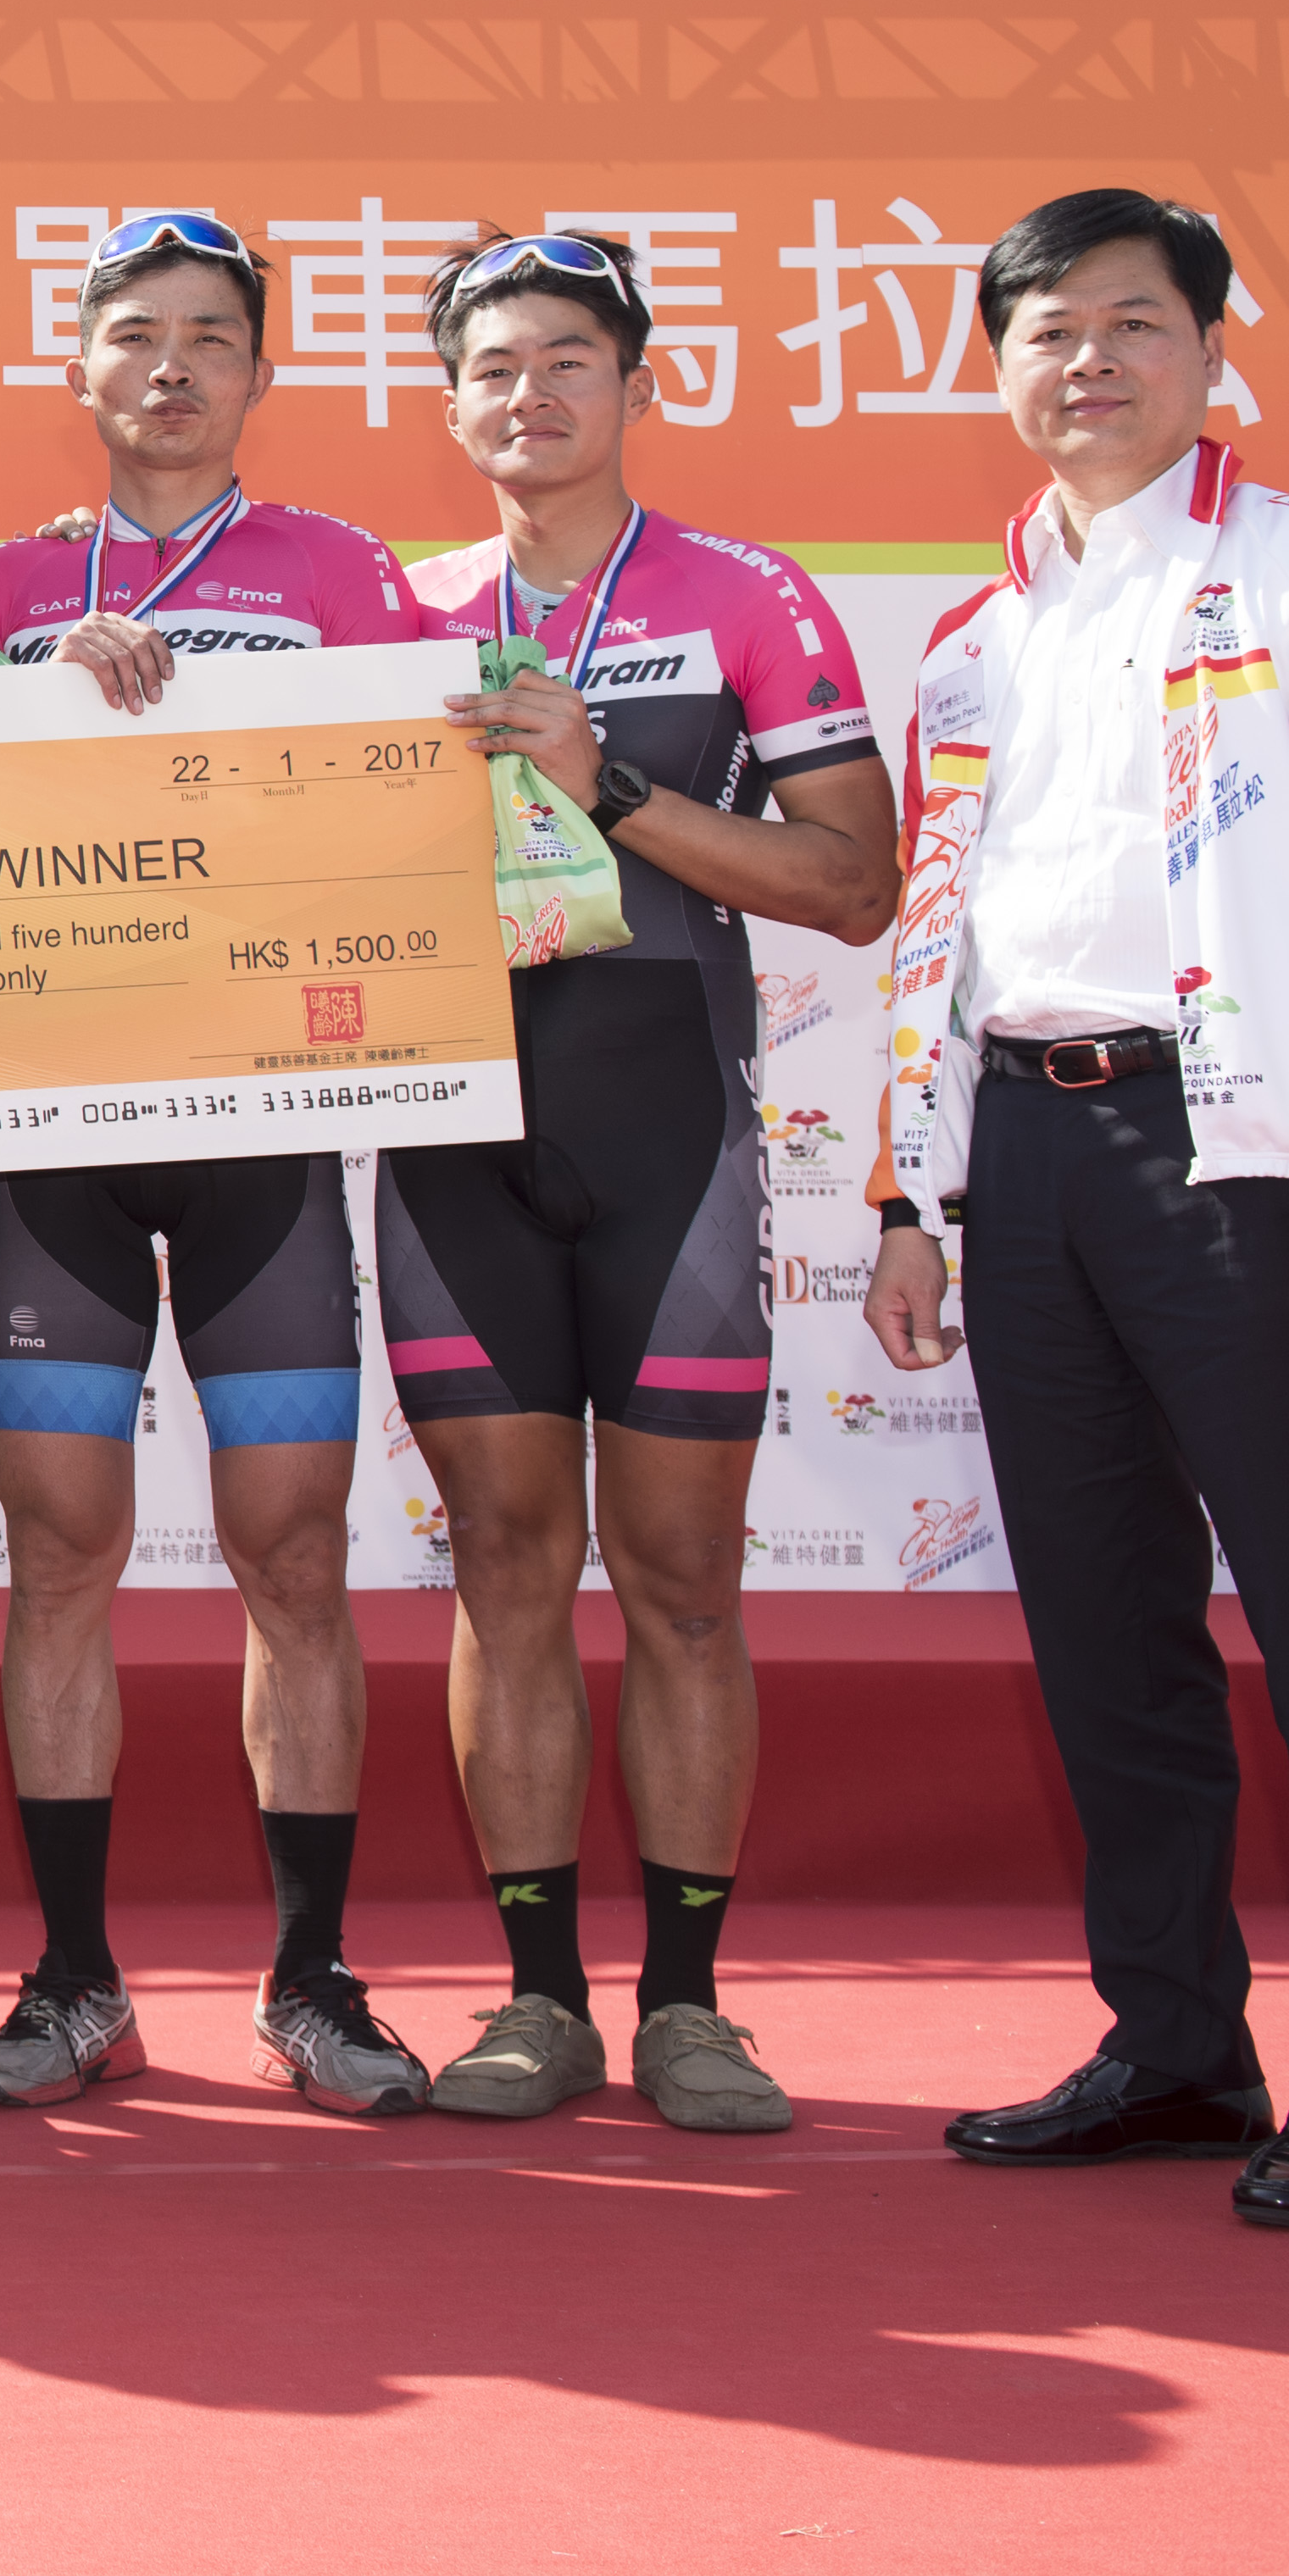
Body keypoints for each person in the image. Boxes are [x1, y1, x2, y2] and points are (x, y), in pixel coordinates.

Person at [867, 190, 1289, 2231]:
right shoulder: (972, 634)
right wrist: (906, 1192)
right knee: (1106, 1635)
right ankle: (1174, 2042)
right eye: (1047, 330)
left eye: (1136, 324)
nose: (1090, 362)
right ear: (996, 367)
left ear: (1212, 354)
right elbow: (938, 938)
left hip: (1240, 1150)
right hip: (1026, 1155)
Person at [385, 233, 899, 2134]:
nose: (530, 395)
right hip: (454, 1155)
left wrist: (604, 789)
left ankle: (686, 2004)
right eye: (495, 368)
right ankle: (535, 2000)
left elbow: (852, 881)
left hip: (666, 1134)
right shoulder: (395, 610)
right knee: (505, 1572)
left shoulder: (741, 593)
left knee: (681, 1582)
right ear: (448, 405)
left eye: (569, 362)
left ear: (635, 383)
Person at [0, 211, 435, 2116]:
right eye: (131, 333)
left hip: (262, 1136)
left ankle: (310, 1979)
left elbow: (412, 809)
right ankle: (72, 1977)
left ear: (255, 371)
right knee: (58, 1548)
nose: (168, 366)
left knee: (290, 1549)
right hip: (47, 1129)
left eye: (208, 337)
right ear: (75, 365)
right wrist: (7, 690)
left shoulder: (346, 573)